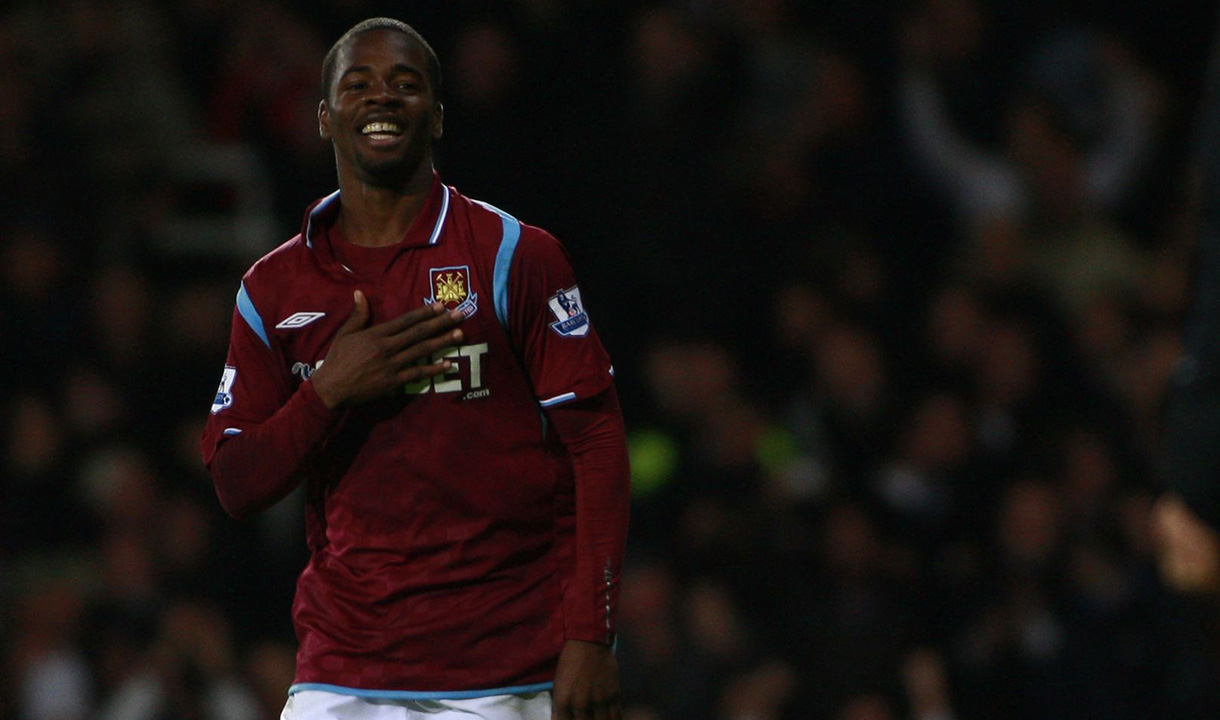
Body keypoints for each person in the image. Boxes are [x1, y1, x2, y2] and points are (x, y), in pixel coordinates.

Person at [200, 17, 630, 720]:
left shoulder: (514, 255)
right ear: (323, 116)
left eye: (406, 85)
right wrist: (329, 391)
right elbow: (236, 483)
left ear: (436, 117)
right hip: (339, 672)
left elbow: (599, 445)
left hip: (504, 673)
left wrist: (592, 633)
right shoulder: (272, 288)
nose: (383, 99)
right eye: (358, 84)